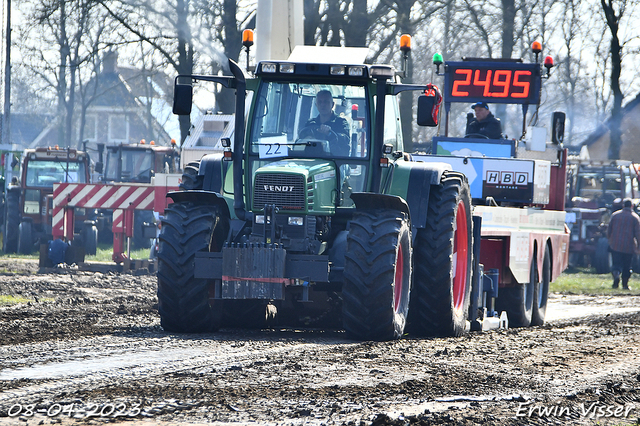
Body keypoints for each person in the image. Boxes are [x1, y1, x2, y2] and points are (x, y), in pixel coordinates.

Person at [299, 90, 350, 156]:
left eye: (326, 102)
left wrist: (330, 133)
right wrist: (307, 138)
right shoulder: (311, 123)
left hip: (335, 160)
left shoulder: (341, 122)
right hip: (313, 160)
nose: (322, 105)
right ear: (316, 105)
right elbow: (301, 141)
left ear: (332, 104)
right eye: (320, 102)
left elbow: (345, 140)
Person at [607, 198, 640, 289]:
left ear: (623, 205)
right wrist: (638, 246)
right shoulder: (635, 218)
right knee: (627, 266)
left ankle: (616, 276)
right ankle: (625, 285)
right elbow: (638, 233)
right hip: (628, 247)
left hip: (615, 245)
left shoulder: (615, 215)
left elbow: (609, 229)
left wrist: (610, 239)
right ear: (632, 206)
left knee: (616, 264)